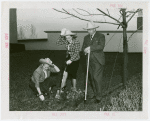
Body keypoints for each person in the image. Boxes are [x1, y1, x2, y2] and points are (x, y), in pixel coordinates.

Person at [82, 21, 105, 103]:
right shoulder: (86, 38)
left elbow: (101, 46)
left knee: (96, 78)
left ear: (95, 29)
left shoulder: (101, 36)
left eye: (91, 29)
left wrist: (90, 48)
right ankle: (96, 94)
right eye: (88, 30)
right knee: (92, 78)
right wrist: (85, 50)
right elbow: (83, 48)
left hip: (98, 61)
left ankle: (99, 97)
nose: (89, 31)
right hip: (89, 61)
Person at [55, 29, 80, 99]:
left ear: (72, 36)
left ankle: (74, 89)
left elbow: (76, 52)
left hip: (75, 59)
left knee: (73, 75)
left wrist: (71, 60)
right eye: (66, 37)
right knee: (65, 73)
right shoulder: (66, 40)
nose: (68, 39)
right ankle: (62, 90)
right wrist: (61, 35)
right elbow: (57, 43)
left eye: (69, 37)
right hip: (68, 58)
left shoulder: (76, 42)